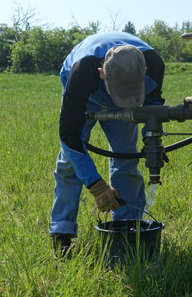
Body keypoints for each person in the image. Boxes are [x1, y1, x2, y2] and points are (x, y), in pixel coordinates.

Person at [49, 31, 165, 255]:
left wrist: (152, 140)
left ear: (145, 72)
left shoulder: (154, 63)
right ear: (102, 73)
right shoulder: (82, 72)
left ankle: (128, 228)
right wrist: (95, 184)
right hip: (87, 94)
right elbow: (69, 135)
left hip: (126, 98)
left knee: (125, 157)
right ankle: (61, 235)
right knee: (69, 164)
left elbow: (152, 107)